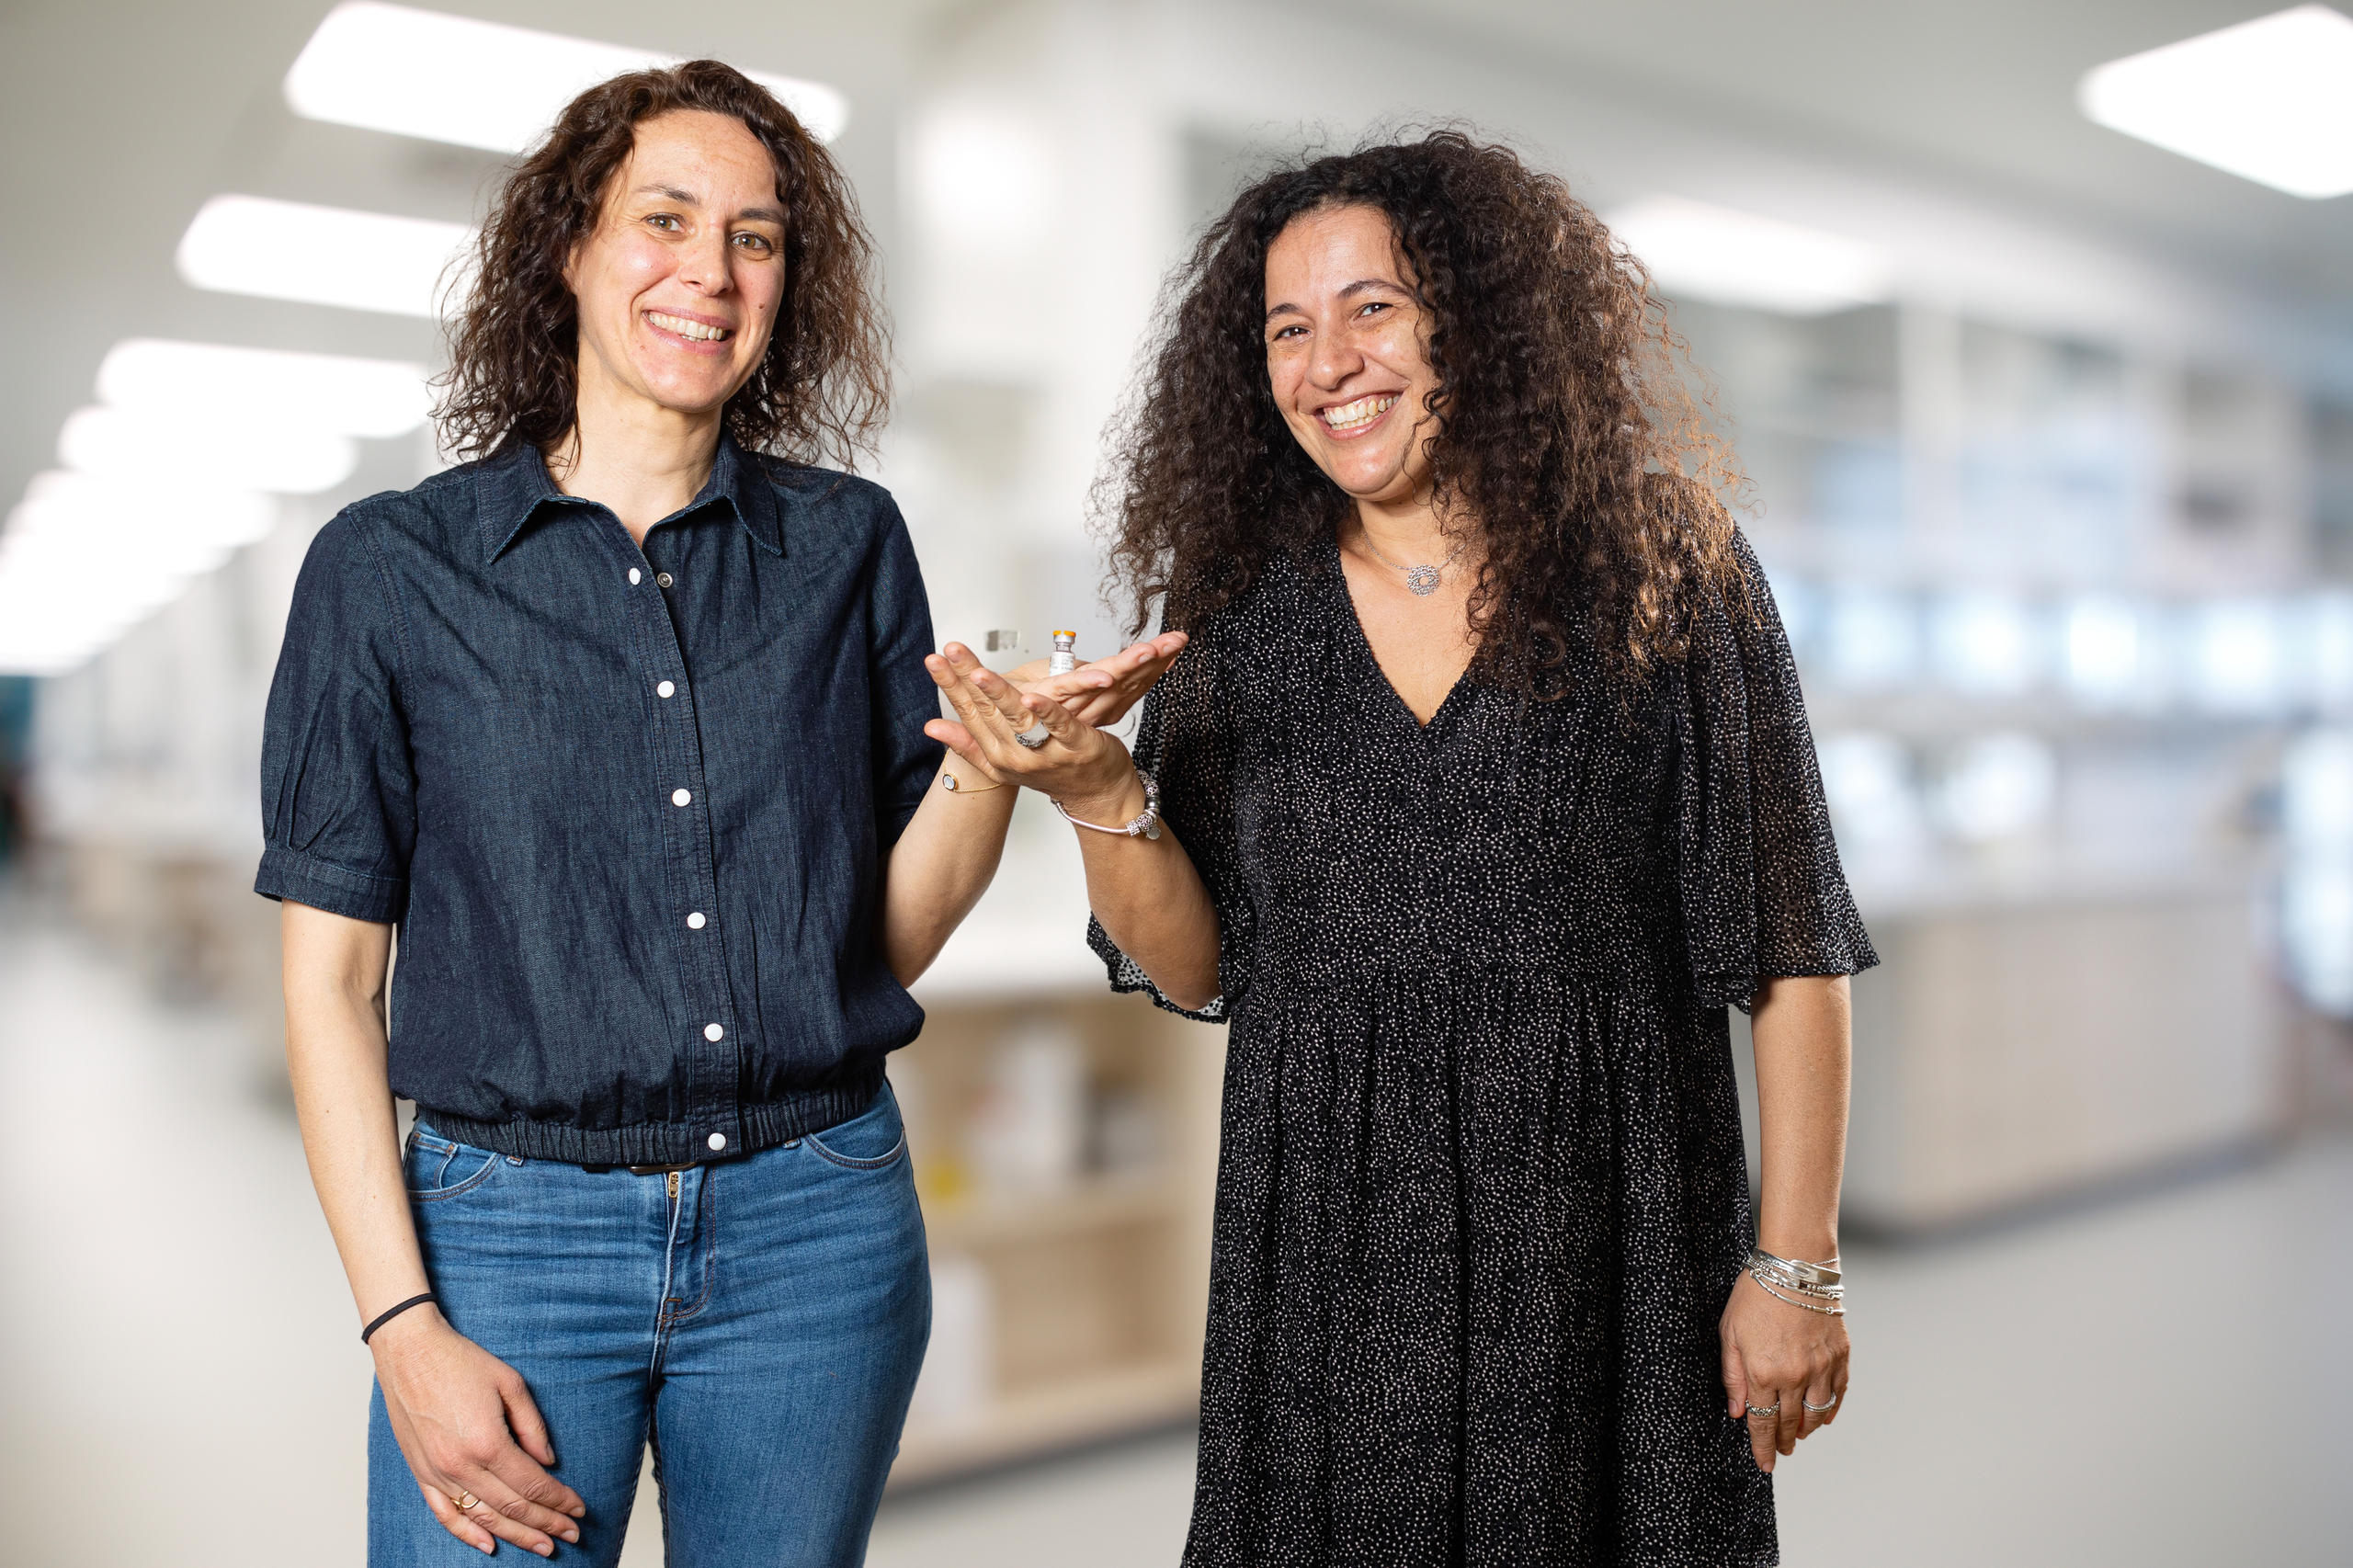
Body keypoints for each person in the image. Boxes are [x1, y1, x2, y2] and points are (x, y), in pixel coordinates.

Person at [260, 62, 1177, 1565]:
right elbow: (331, 985)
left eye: (755, 235)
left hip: (815, 1224)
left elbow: (880, 938)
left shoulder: (846, 546)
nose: (711, 270)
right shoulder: (389, 571)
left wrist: (988, 767)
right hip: (509, 1233)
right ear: (566, 248)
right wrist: (402, 1322)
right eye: (664, 219)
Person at [925, 131, 1875, 1566]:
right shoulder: (1241, 602)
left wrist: (1794, 1261)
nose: (1329, 362)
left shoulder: (1666, 564)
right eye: (1287, 331)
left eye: (1372, 308)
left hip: (1611, 1250)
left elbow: (1792, 939)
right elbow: (1199, 964)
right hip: (1329, 1264)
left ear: (1470, 318)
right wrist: (1099, 786)